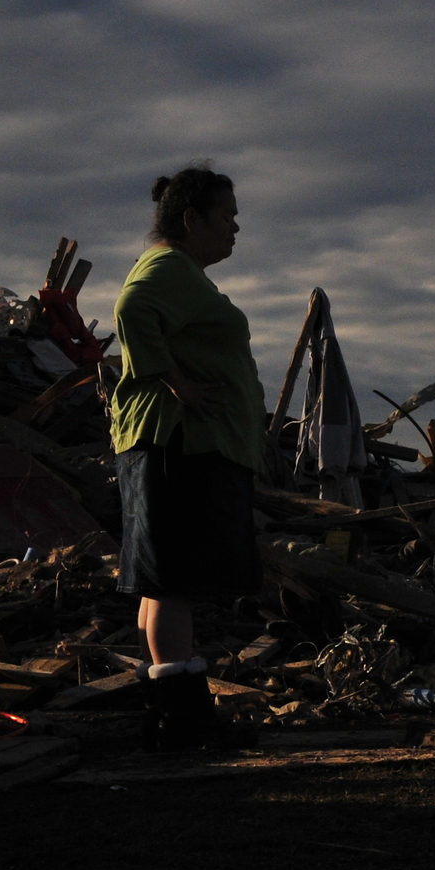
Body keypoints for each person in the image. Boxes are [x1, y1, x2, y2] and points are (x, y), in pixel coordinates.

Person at [109, 166, 266, 750]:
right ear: (191, 219)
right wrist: (178, 384)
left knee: (161, 581)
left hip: (176, 444)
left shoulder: (183, 274)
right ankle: (185, 720)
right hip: (180, 443)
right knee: (172, 578)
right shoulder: (167, 268)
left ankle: (171, 715)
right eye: (225, 216)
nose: (234, 227)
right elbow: (131, 310)